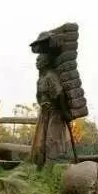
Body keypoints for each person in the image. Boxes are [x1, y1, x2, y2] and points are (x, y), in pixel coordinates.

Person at [30, 32, 72, 169]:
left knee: (51, 140)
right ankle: (40, 169)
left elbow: (59, 94)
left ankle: (49, 170)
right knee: (41, 141)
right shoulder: (41, 79)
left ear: (46, 61)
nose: (37, 61)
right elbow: (39, 96)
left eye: (39, 59)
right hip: (45, 112)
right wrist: (43, 105)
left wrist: (64, 112)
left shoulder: (51, 76)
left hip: (55, 112)